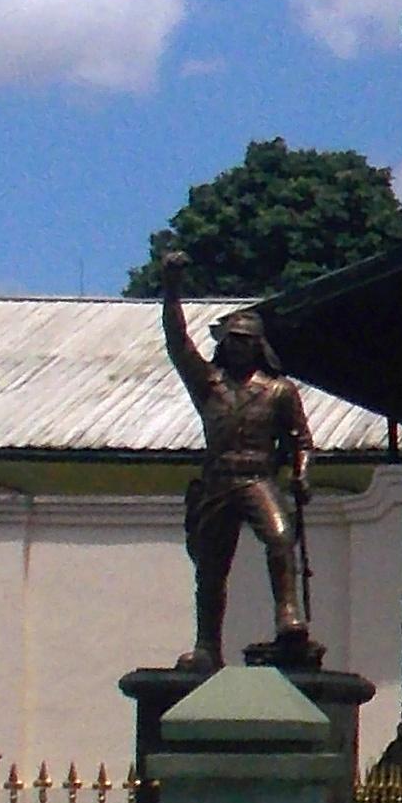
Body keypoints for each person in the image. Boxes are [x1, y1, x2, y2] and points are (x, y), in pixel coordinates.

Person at [156, 254, 318, 666]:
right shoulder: (209, 386)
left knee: (281, 538)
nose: (238, 346)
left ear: (259, 345)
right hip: (218, 481)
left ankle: (288, 614)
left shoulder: (279, 390)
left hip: (258, 478)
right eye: (232, 339)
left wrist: (301, 474)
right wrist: (172, 288)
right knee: (210, 568)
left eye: (246, 339)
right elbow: (178, 343)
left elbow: (301, 441)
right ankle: (208, 646)